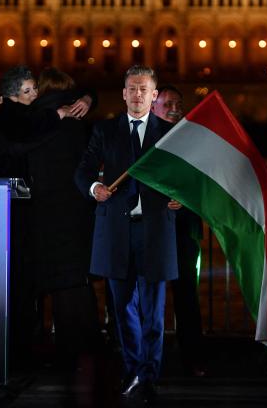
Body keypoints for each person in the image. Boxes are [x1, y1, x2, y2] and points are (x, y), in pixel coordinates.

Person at [75, 65, 181, 402]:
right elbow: (83, 171)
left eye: (143, 89)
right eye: (132, 89)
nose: (137, 95)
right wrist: (94, 187)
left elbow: (183, 178)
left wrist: (182, 198)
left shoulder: (170, 134)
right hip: (117, 233)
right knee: (122, 311)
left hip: (155, 233)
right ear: (124, 94)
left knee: (153, 312)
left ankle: (149, 374)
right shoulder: (104, 131)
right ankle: (133, 369)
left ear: (154, 95)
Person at [0, 65, 95, 369]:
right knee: (71, 286)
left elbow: (6, 148)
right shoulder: (73, 119)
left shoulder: (36, 120)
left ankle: (24, 351)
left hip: (33, 214)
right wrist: (88, 98)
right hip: (72, 213)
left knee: (26, 287)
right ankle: (77, 354)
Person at [151, 85, 206, 377]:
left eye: (178, 103)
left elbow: (203, 182)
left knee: (187, 298)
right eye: (167, 103)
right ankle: (150, 359)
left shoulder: (194, 139)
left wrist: (185, 199)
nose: (174, 107)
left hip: (185, 231)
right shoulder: (144, 139)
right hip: (154, 230)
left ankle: (192, 357)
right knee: (151, 297)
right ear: (153, 107)